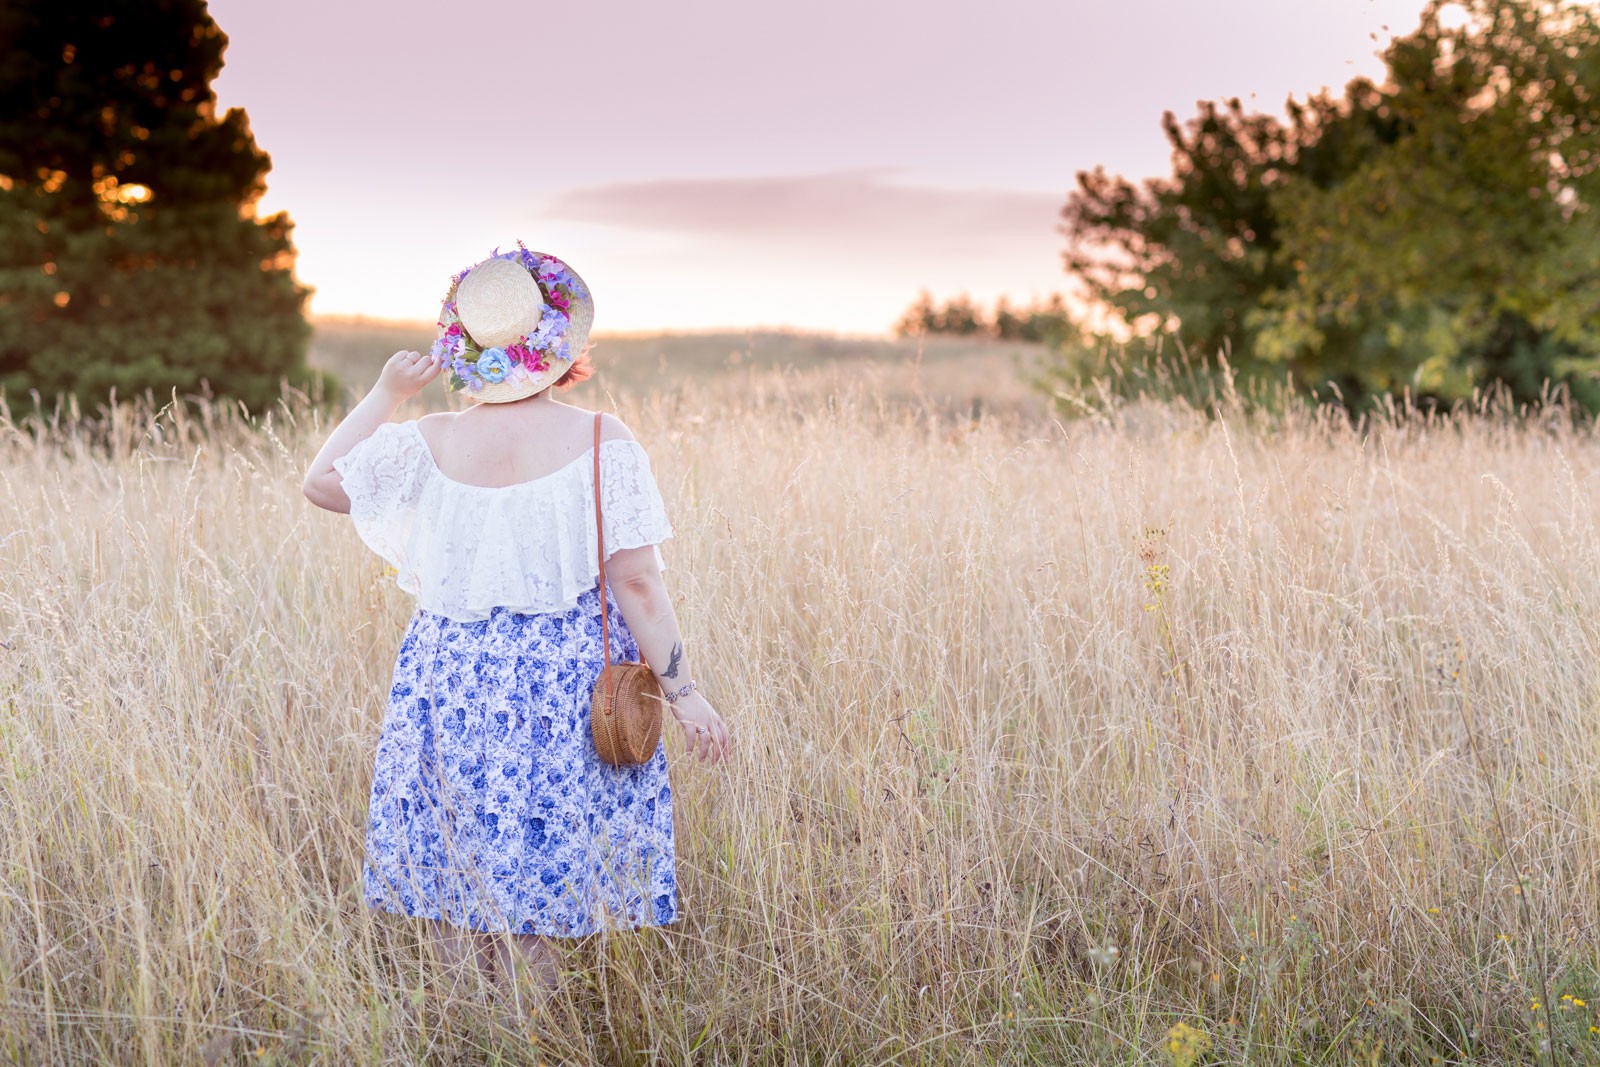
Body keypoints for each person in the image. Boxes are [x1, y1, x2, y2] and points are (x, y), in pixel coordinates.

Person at [301, 245, 731, 1004]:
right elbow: (636, 580)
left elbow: (321, 482)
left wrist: (384, 393)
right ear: (563, 344)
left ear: (466, 350)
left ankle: (467, 1037)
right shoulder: (602, 441)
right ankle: (522, 1039)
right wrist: (684, 690)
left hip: (449, 679)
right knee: (537, 892)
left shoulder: (429, 440)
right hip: (556, 684)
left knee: (454, 877)